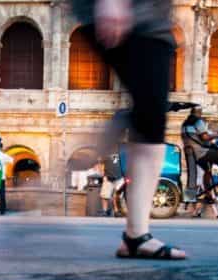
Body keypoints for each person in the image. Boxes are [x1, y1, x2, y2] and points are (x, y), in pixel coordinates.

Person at [72, 0, 185, 258]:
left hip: (150, 18)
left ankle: (136, 235)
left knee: (150, 117)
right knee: (151, 116)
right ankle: (136, 235)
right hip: (139, 14)